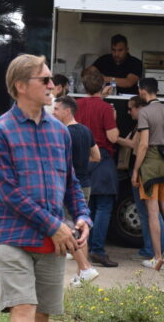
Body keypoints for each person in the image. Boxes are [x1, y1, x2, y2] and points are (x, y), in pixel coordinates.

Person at [0, 54, 91, 322]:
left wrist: (82, 216)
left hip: (53, 241)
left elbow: (70, 183)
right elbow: (9, 193)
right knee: (23, 309)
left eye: (52, 80)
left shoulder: (60, 132)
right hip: (15, 237)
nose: (52, 86)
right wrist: (54, 226)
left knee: (42, 316)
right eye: (45, 79)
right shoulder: (0, 131)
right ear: (21, 86)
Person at [52, 95, 101, 287]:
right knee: (82, 227)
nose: (53, 113)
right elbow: (96, 156)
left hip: (67, 185)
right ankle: (82, 273)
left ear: (67, 111)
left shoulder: (62, 132)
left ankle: (85, 268)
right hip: (85, 183)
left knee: (68, 227)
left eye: (56, 109)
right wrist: (81, 164)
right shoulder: (86, 131)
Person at [75, 67, 120, 268]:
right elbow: (112, 137)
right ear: (101, 86)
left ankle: (85, 246)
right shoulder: (105, 109)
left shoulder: (77, 105)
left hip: (82, 160)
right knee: (104, 205)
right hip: (102, 158)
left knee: (88, 206)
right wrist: (115, 119)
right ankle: (98, 250)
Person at [134, 77, 164, 271]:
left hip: (150, 165)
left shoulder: (145, 112)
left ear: (143, 91)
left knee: (153, 212)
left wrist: (136, 169)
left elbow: (143, 144)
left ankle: (157, 258)